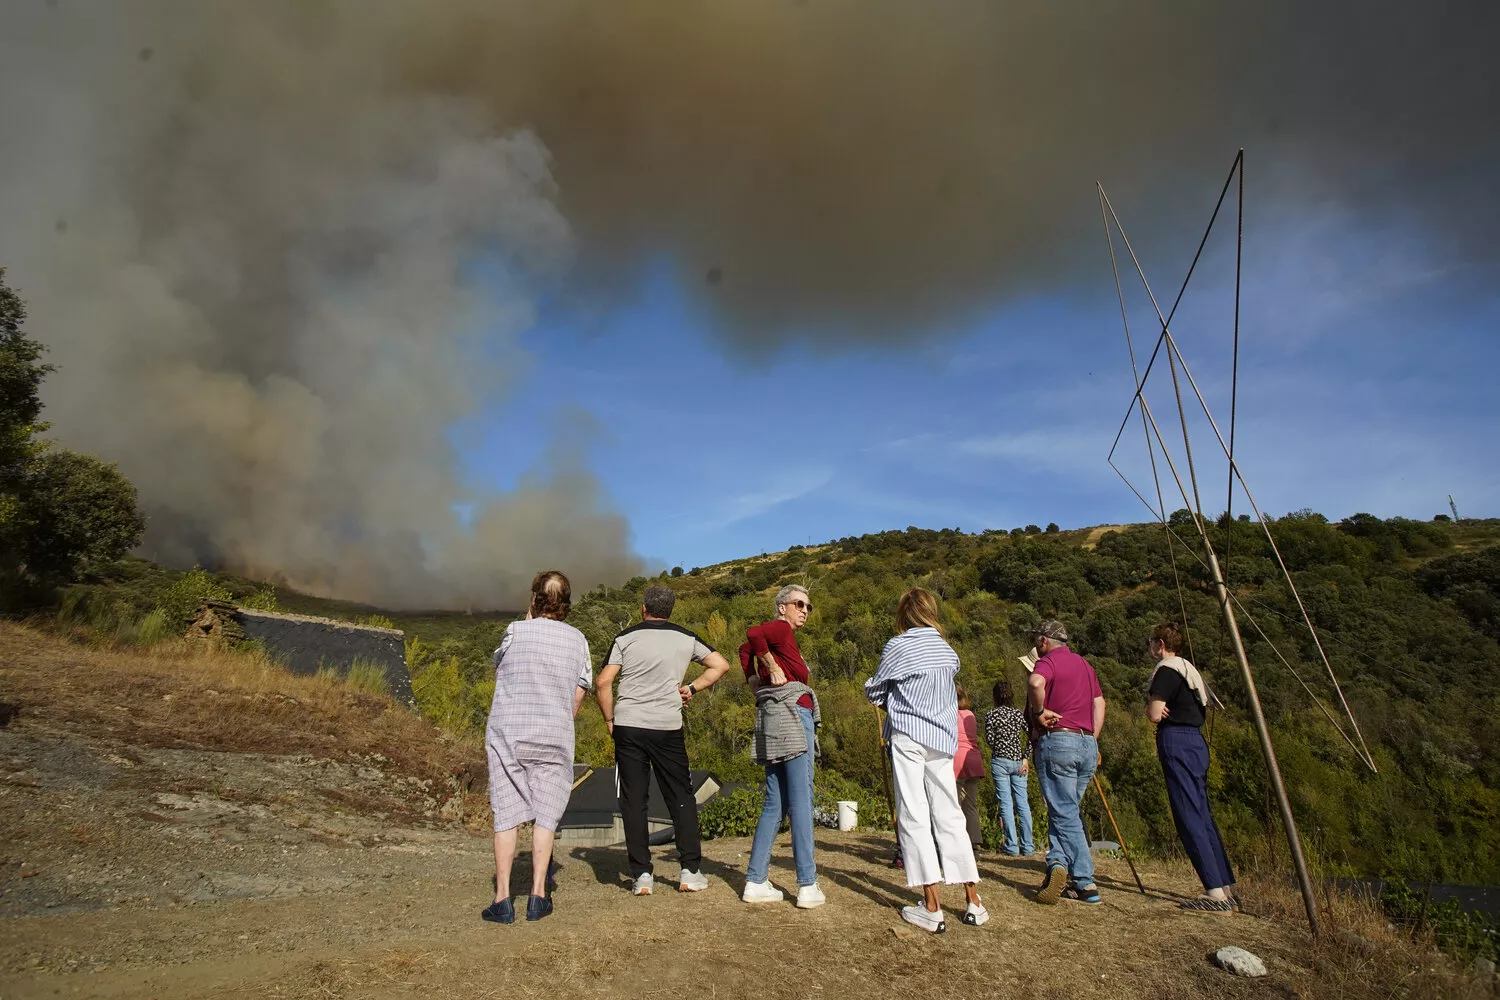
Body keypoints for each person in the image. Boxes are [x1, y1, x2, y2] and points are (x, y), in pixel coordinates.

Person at [596, 584, 734, 896]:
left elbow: (604, 681)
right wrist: (692, 688)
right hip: (668, 727)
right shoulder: (685, 637)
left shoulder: (625, 638)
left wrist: (609, 720)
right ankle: (690, 871)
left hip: (629, 725)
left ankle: (642, 875)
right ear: (669, 611)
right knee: (681, 796)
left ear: (643, 608)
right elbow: (720, 665)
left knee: (633, 800)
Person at [865, 588, 986, 933]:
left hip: (908, 735)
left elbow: (876, 690)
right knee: (949, 812)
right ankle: (973, 901)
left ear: (904, 614)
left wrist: (874, 688)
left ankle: (931, 905)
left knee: (914, 814)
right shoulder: (947, 651)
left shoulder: (898, 646)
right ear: (931, 611)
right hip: (943, 737)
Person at [482, 570, 593, 924]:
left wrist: (528, 617)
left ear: (533, 599)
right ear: (567, 603)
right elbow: (579, 694)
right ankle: (538, 895)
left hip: (509, 733)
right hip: (554, 733)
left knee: (506, 811)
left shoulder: (515, 631)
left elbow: (499, 669)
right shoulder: (578, 640)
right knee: (545, 813)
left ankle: (502, 900)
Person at [737, 584, 824, 908]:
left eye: (808, 606)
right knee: (801, 799)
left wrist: (753, 679)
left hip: (772, 721)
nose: (804, 610)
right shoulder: (780, 629)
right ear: (782, 606)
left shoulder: (783, 638)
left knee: (776, 801)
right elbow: (753, 633)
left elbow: (744, 648)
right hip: (792, 717)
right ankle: (807, 884)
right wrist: (770, 667)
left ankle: (756, 880)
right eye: (799, 604)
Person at [1147, 622, 1237, 912]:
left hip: (1177, 741)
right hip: (1196, 742)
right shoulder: (1189, 669)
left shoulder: (1166, 669)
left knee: (1188, 815)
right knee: (1202, 813)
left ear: (1161, 644)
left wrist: (1156, 708)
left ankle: (1214, 892)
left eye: (1151, 642)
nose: (1149, 647)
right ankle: (1224, 885)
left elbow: (1154, 714)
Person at [1027, 618, 1105, 906]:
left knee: (1064, 811)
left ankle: (1085, 881)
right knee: (1066, 811)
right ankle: (1057, 865)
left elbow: (1036, 683)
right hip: (1086, 742)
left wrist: (1039, 711)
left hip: (1059, 739)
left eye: (1037, 640)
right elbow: (1100, 703)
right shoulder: (1085, 665)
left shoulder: (1048, 662)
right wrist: (1092, 739)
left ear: (1044, 641)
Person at [985, 679, 1035, 856]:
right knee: (1023, 803)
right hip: (1018, 761)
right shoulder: (1017, 715)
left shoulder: (992, 715)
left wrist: (1000, 745)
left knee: (1006, 803)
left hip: (1000, 761)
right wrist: (1025, 757)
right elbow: (1031, 735)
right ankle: (1028, 846)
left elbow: (989, 740)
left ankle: (1012, 846)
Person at [953, 685, 985, 851]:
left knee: (955, 804)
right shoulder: (970, 715)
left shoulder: (951, 715)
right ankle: (974, 841)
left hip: (957, 760)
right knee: (971, 804)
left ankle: (957, 840)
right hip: (973, 759)